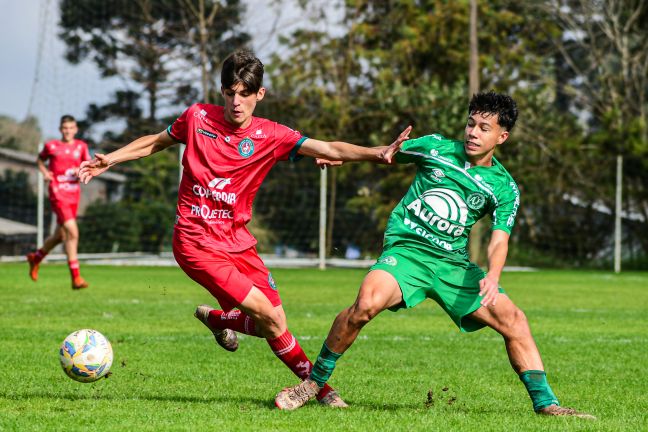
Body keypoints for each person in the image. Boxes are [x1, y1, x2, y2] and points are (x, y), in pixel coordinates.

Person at [78, 50, 411, 406]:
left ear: (260, 94)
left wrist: (378, 153)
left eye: (245, 94)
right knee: (268, 315)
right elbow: (155, 142)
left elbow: (328, 147)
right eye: (230, 93)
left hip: (238, 242)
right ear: (221, 91)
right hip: (195, 242)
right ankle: (323, 392)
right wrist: (110, 158)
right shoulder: (197, 117)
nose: (236, 102)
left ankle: (219, 319)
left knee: (275, 321)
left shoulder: (271, 135)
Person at [274, 92, 595, 419]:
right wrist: (345, 156)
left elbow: (499, 240)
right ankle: (314, 383)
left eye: (484, 128)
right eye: (471, 123)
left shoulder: (503, 187)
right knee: (366, 303)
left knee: (514, 320)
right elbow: (383, 154)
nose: (473, 132)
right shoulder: (435, 148)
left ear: (502, 136)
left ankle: (547, 404)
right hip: (408, 252)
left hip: (452, 266)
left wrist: (494, 275)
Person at [27, 115, 91, 290]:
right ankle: (76, 278)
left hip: (73, 194)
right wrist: (45, 172)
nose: (68, 131)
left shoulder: (81, 147)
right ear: (60, 129)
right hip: (58, 192)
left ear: (75, 129)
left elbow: (87, 164)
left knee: (60, 236)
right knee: (73, 232)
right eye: (65, 128)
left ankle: (36, 257)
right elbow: (40, 159)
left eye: (71, 128)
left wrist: (81, 171)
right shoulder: (52, 146)